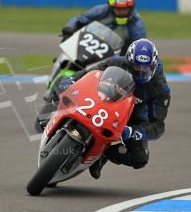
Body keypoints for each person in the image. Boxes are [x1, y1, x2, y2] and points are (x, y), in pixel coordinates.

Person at [56, 38, 171, 179]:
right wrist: (72, 80)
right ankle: (55, 117)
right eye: (137, 67)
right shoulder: (117, 62)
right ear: (129, 62)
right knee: (63, 89)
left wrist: (133, 132)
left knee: (140, 158)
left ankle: (104, 154)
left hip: (134, 119)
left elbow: (158, 126)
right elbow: (89, 73)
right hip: (105, 100)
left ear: (154, 65)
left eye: (146, 68)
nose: (141, 72)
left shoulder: (160, 88)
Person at [61, 0, 146, 55]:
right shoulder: (100, 11)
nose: (121, 12)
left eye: (125, 9)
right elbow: (80, 19)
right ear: (111, 7)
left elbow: (138, 49)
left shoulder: (137, 25)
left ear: (131, 8)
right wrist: (69, 28)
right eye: (118, 9)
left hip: (115, 59)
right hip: (88, 47)